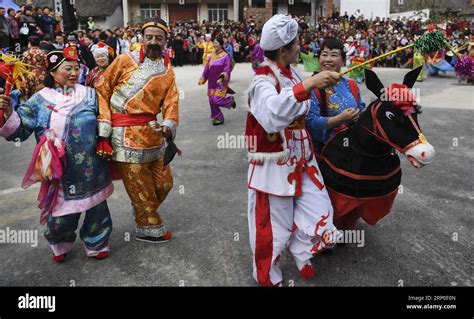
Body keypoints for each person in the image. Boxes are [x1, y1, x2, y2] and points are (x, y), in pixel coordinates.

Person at [245, 14, 341, 286]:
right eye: (297, 44)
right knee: (275, 227)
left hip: (303, 158)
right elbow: (272, 115)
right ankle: (267, 274)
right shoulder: (261, 81)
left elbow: (300, 100)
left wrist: (310, 82)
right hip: (276, 165)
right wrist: (309, 85)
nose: (301, 47)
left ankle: (301, 251)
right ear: (283, 51)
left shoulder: (292, 73)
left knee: (320, 212)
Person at [0, 45, 114, 263]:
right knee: (61, 215)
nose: (73, 73)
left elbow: (107, 119)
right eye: (67, 69)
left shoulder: (90, 94)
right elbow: (18, 132)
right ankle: (60, 242)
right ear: (51, 73)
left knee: (97, 208)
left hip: (93, 168)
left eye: (76, 68)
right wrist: (7, 112)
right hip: (61, 171)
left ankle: (97, 241)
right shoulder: (39, 100)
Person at [96, 18, 179, 243]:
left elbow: (171, 101)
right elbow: (101, 89)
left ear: (165, 40)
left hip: (154, 134)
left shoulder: (168, 70)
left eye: (158, 38)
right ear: (141, 38)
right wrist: (104, 125)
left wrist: (169, 123)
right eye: (148, 37)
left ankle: (143, 210)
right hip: (124, 135)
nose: (153, 41)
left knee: (164, 184)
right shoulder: (124, 60)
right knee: (140, 187)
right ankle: (147, 227)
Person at [306, 38, 365, 153]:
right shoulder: (310, 85)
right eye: (324, 55)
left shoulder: (351, 85)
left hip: (351, 149)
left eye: (334, 55)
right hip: (325, 152)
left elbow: (361, 108)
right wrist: (339, 119)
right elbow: (310, 122)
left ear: (343, 60)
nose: (328, 59)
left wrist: (359, 114)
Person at [198, 37, 236, 126]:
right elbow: (207, 68)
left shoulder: (225, 56)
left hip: (220, 82)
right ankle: (218, 117)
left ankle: (229, 101)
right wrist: (203, 78)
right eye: (214, 43)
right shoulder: (211, 55)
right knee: (211, 100)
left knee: (216, 99)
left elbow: (227, 69)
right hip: (211, 81)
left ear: (221, 45)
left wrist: (222, 77)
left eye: (216, 43)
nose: (215, 45)